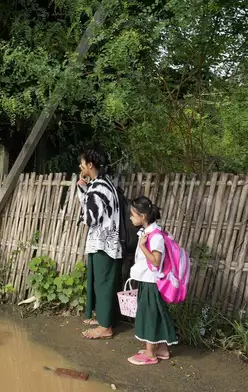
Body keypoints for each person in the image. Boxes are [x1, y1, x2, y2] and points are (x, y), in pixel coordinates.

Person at [77, 148, 122, 339]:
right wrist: (83, 187)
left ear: (90, 165)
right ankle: (103, 319)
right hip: (105, 243)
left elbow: (90, 218)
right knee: (102, 282)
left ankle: (105, 328)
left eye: (82, 163)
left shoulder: (98, 188)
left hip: (104, 243)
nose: (80, 167)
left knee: (103, 284)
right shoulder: (103, 184)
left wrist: (83, 191)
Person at [127, 196, 178, 365]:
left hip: (152, 281)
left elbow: (156, 261)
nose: (130, 218)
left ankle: (150, 353)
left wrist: (142, 246)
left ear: (143, 216)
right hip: (147, 280)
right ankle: (162, 348)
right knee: (156, 314)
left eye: (133, 215)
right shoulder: (149, 232)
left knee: (149, 316)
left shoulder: (155, 237)